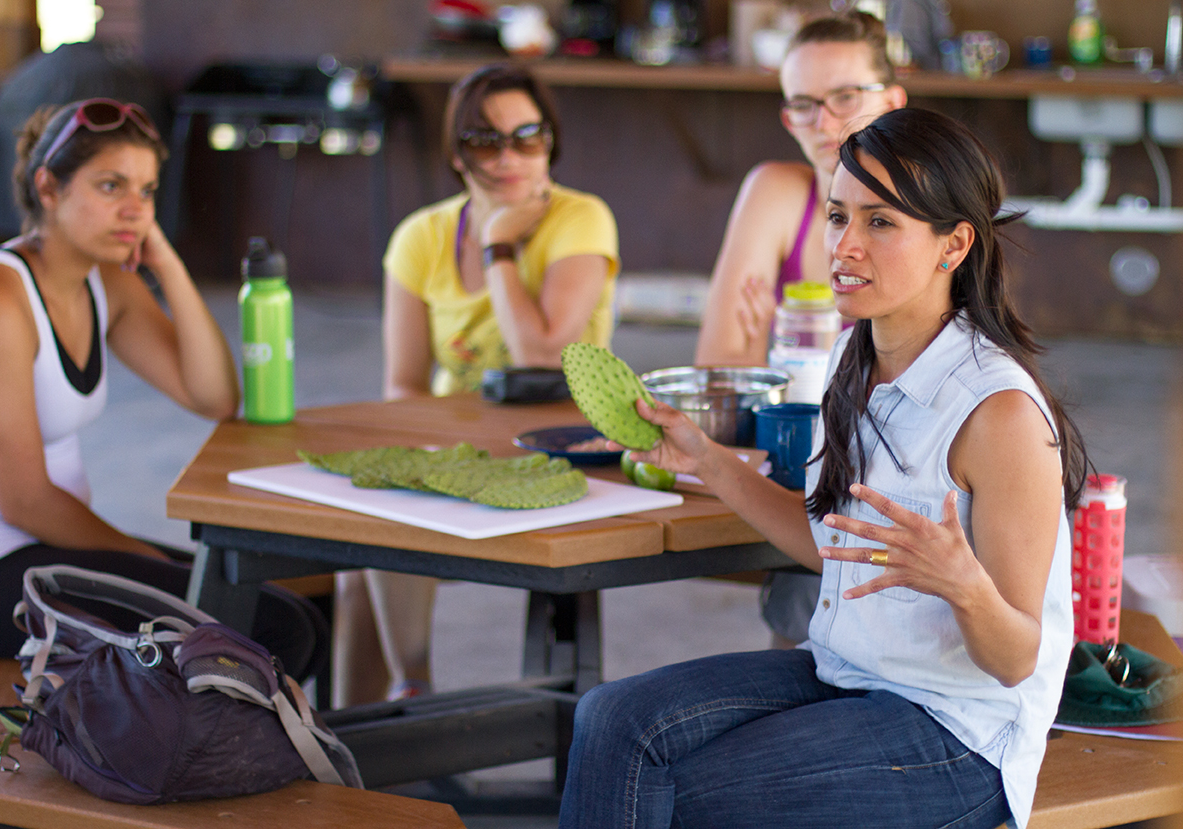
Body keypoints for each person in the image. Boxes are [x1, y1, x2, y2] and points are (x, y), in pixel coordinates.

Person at [559, 108, 1089, 829]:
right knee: (611, 719)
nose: (844, 244)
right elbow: (827, 541)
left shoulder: (998, 415)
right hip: (845, 673)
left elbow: (1017, 657)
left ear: (953, 244)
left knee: (677, 793)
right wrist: (706, 459)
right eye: (838, 216)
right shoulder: (851, 357)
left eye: (880, 223)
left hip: (957, 733)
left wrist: (964, 586)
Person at [0, 99, 324, 679]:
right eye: (111, 185)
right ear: (49, 187)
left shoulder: (106, 285)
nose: (134, 210)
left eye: (147, 191)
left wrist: (165, 262)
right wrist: (136, 558)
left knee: (302, 600)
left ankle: (303, 762)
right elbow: (22, 499)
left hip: (46, 549)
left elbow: (213, 396)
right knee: (271, 627)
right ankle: (190, 766)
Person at [333, 64, 619, 705]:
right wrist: (440, 456)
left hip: (562, 450)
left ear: (551, 140)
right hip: (459, 448)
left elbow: (542, 353)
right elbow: (403, 385)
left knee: (369, 555)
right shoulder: (421, 236)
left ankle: (407, 709)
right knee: (358, 559)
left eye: (528, 136)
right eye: (487, 141)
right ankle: (382, 733)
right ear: (457, 154)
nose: (512, 156)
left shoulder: (581, 218)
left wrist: (499, 247)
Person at [696, 11, 907, 649]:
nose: (826, 121)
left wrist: (785, 364)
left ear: (893, 102)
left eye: (845, 96)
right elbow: (719, 380)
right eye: (804, 104)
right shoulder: (776, 190)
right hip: (805, 468)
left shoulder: (929, 204)